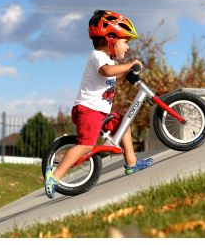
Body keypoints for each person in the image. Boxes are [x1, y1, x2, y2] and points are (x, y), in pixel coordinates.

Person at [44, 10, 155, 199]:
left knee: (123, 124)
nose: (127, 48)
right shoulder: (98, 56)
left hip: (99, 112)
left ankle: (131, 163)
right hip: (89, 111)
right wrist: (129, 65)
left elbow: (111, 72)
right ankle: (54, 177)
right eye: (125, 42)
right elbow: (107, 72)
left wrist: (127, 73)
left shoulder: (108, 60)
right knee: (87, 146)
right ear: (110, 39)